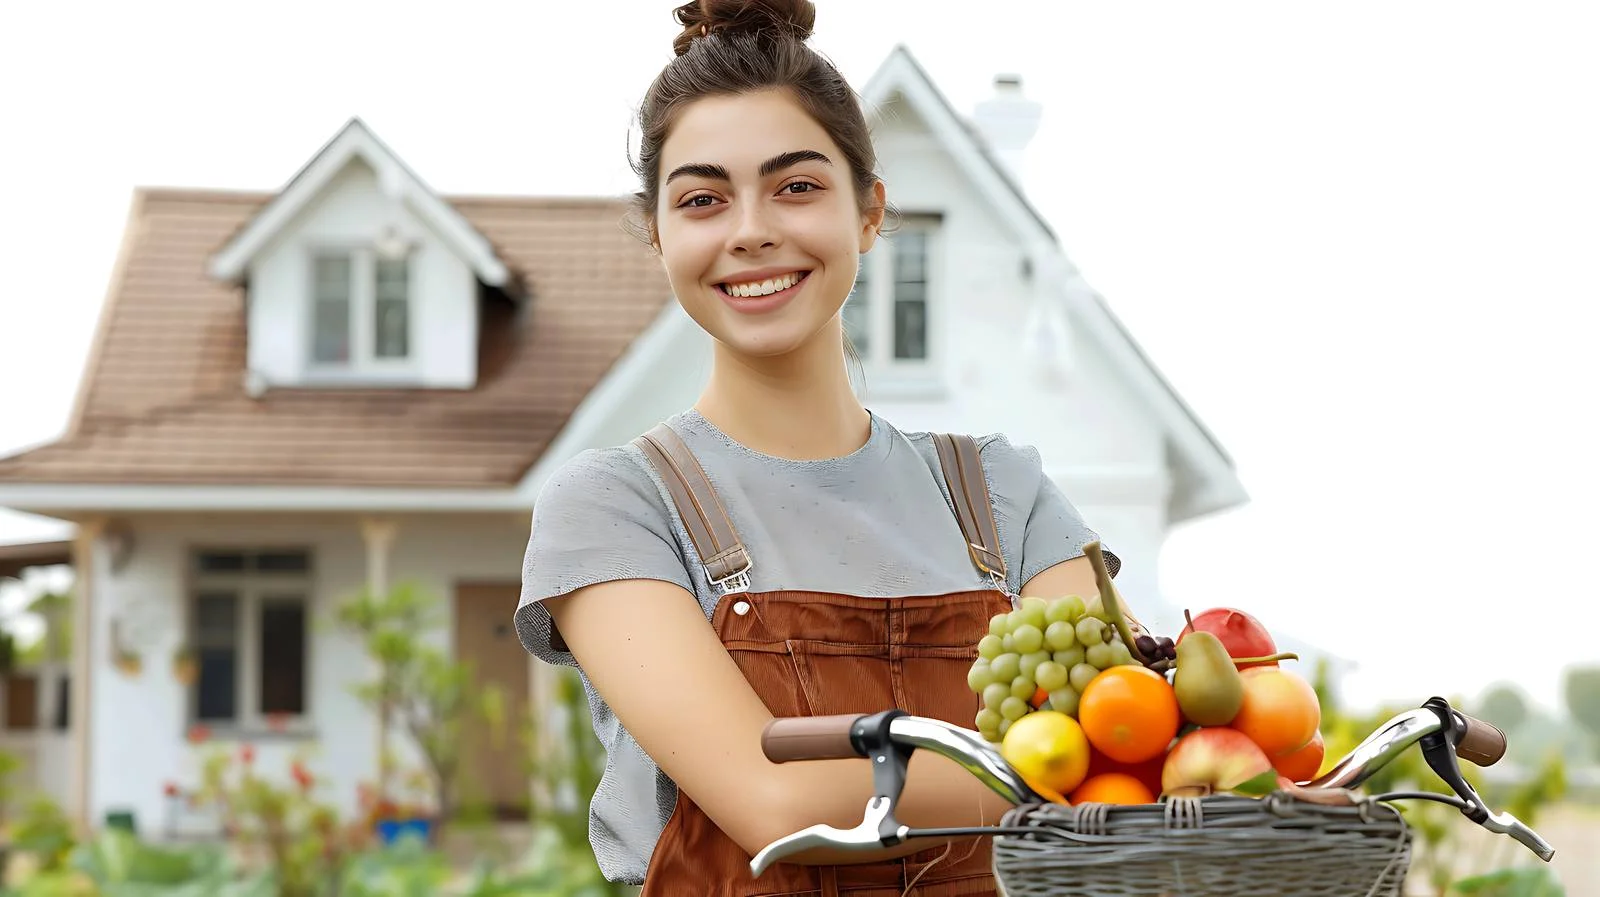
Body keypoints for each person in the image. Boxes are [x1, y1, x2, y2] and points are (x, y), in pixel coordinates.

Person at [514, 2, 1121, 893]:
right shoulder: (616, 506)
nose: (750, 228)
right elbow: (775, 802)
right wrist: (1066, 771)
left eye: (796, 186)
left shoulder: (1003, 492)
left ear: (871, 213)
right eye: (702, 199)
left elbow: (1139, 726)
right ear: (659, 233)